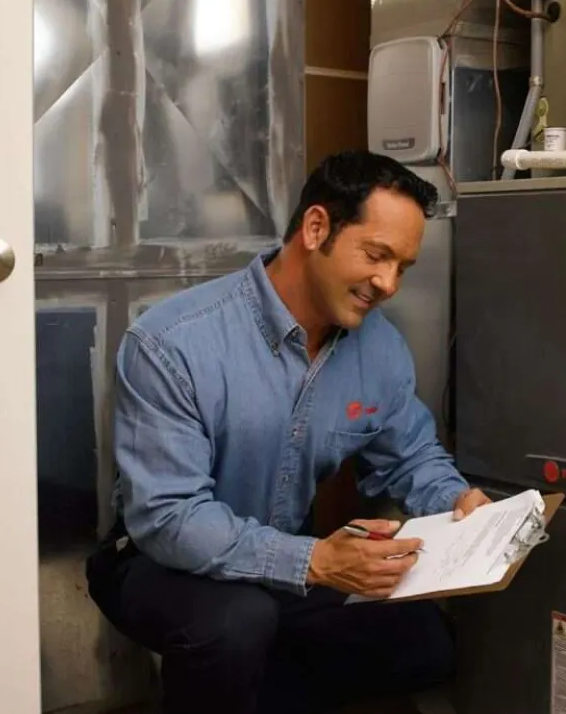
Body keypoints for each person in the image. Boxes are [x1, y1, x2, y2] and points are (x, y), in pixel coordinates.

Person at [86, 151, 491, 714]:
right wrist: (316, 562)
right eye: (377, 256)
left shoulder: (378, 348)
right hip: (155, 561)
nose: (389, 283)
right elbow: (169, 517)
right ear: (316, 227)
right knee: (235, 623)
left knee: (425, 642)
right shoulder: (172, 343)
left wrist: (459, 500)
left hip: (286, 562)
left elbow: (409, 454)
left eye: (404, 266)